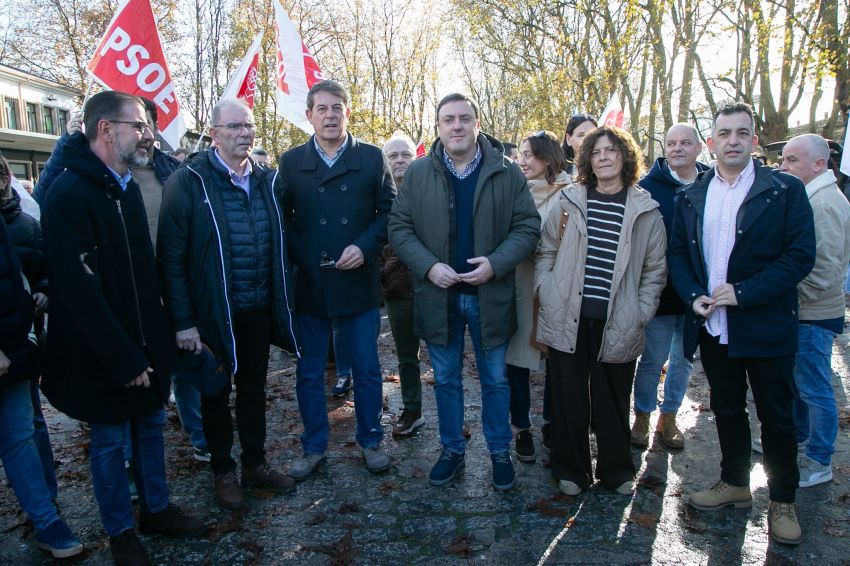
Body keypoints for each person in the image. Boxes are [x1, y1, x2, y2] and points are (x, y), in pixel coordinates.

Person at [40, 91, 206, 564]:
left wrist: (159, 343)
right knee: (111, 442)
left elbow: (143, 274)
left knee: (151, 425)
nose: (148, 134)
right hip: (102, 356)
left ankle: (156, 509)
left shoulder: (127, 185)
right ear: (105, 129)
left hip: (144, 345)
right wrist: (124, 358)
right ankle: (121, 534)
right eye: (138, 125)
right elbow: (79, 293)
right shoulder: (69, 194)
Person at [668, 102, 815, 546]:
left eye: (742, 133)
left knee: (777, 416)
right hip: (714, 327)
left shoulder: (784, 190)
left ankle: (783, 500)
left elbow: (799, 255)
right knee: (727, 409)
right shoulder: (691, 195)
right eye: (724, 133)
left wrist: (746, 292)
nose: (733, 140)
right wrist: (693, 294)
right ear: (710, 143)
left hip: (766, 324)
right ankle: (734, 483)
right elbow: (678, 254)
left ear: (754, 140)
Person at [389, 93, 540, 491]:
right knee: (446, 379)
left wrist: (496, 263)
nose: (456, 126)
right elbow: (399, 228)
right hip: (438, 297)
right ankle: (452, 450)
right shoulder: (419, 173)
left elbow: (527, 227)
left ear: (476, 123)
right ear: (438, 126)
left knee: (495, 381)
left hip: (488, 297)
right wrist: (428, 266)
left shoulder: (506, 173)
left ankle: (498, 453)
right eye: (448, 119)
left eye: (464, 118)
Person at [158, 98, 299, 510]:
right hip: (210, 314)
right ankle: (223, 471)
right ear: (214, 133)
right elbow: (171, 257)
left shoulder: (269, 182)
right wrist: (183, 321)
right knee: (214, 393)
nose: (244, 133)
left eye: (249, 126)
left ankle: (255, 463)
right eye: (235, 126)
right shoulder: (189, 182)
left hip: (255, 308)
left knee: (254, 391)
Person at [536, 126, 666, 497]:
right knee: (568, 399)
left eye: (613, 150)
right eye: (597, 152)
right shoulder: (568, 201)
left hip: (619, 319)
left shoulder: (646, 209)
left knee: (612, 400)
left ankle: (617, 471)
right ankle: (571, 471)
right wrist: (547, 290)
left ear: (626, 157)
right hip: (566, 315)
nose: (605, 157)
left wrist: (640, 311)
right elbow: (545, 250)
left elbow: (655, 271)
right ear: (588, 159)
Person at [279, 80, 395, 479]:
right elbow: (283, 221)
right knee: (310, 372)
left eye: (337, 108)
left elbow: (388, 214)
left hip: (358, 282)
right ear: (309, 115)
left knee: (366, 368)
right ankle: (313, 447)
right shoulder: (291, 162)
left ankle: (371, 440)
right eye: (322, 109)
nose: (330, 115)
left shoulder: (372, 158)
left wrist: (364, 246)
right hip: (311, 284)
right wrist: (306, 258)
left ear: (348, 112)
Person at [0, 173, 82, 561]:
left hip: (16, 350)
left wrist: (42, 293)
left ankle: (46, 516)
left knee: (23, 432)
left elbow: (31, 273)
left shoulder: (21, 224)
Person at [631, 123, 709, 450]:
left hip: (698, 293)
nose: (677, 148)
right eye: (671, 143)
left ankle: (670, 416)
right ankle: (642, 415)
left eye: (685, 143)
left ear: (700, 147)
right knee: (652, 358)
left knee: (683, 359)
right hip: (660, 291)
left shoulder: (713, 184)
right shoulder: (647, 187)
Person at [779, 134, 850, 487]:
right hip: (807, 311)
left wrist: (784, 297)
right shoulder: (813, 197)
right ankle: (800, 437)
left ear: (819, 164)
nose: (783, 166)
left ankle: (819, 460)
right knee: (802, 383)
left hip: (813, 312)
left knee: (814, 388)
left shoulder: (823, 204)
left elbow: (821, 270)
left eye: (792, 160)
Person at [509, 131, 570, 461]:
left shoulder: (572, 192)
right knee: (517, 361)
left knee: (556, 360)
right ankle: (522, 429)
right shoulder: (513, 191)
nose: (523, 160)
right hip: (518, 285)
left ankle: (550, 423)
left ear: (548, 158)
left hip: (555, 288)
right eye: (520, 154)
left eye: (530, 154)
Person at [381, 133, 425, 437]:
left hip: (433, 285)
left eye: (404, 154)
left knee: (446, 355)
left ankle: (453, 416)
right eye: (392, 155)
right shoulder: (377, 200)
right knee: (407, 355)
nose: (399, 160)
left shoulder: (430, 192)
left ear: (415, 157)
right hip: (397, 289)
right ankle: (412, 409)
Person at [561, 113, 598, 180]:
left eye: (591, 135)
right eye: (581, 135)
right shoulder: (557, 174)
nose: (586, 139)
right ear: (568, 139)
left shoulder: (608, 170)